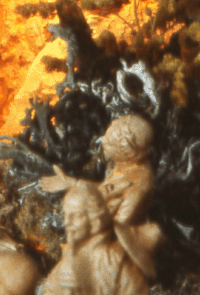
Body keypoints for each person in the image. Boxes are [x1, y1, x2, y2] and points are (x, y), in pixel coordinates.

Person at [40, 114, 162, 278]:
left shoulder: (136, 188)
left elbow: (118, 231)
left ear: (127, 150)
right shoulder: (127, 164)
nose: (103, 140)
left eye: (110, 142)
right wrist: (72, 183)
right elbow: (107, 189)